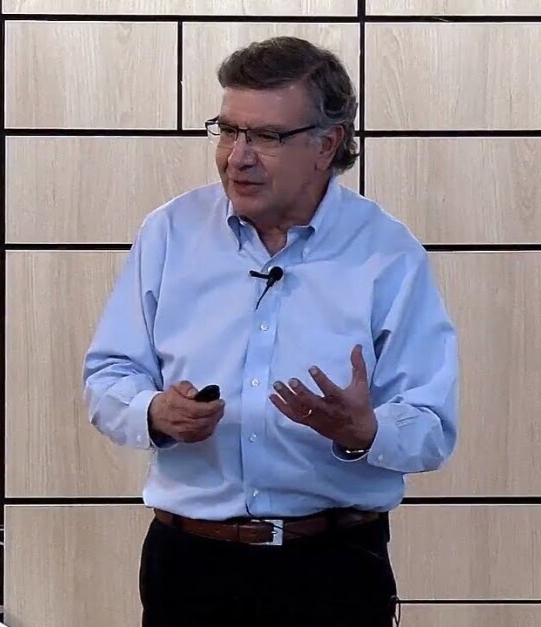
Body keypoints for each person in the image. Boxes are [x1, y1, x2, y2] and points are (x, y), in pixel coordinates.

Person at [82, 35, 459, 627]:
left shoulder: (387, 254)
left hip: (333, 569)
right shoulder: (170, 233)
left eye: (265, 136)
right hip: (190, 567)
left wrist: (364, 430)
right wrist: (154, 412)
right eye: (229, 131)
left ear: (326, 144)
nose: (238, 157)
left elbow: (432, 427)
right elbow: (108, 376)